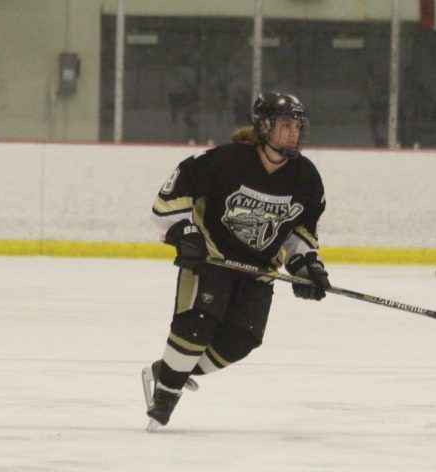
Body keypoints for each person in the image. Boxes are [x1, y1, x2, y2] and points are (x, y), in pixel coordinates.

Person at [141, 91, 330, 430]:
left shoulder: (306, 177)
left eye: (297, 126)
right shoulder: (224, 162)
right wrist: (184, 233)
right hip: (211, 261)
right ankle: (164, 400)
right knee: (196, 325)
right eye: (285, 125)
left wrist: (307, 266)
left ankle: (166, 370)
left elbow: (298, 233)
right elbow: (169, 200)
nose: (293, 133)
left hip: (258, 272)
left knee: (241, 340)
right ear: (264, 126)